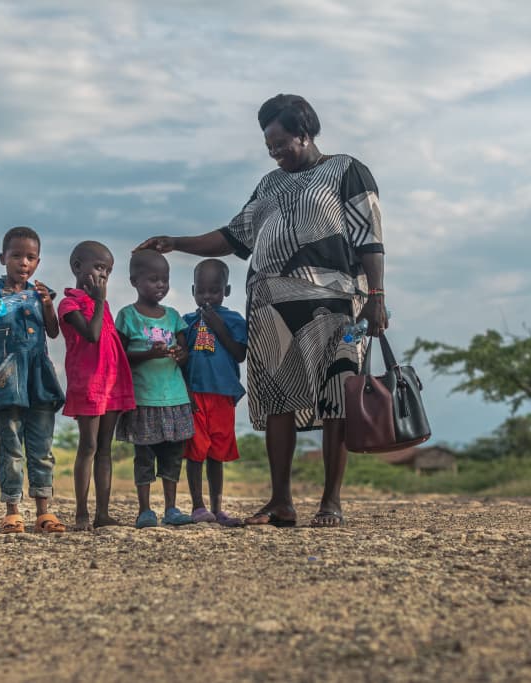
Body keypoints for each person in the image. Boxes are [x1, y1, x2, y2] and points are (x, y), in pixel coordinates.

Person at [136, 94, 388, 528]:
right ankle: (280, 502)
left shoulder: (346, 171)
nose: (274, 152)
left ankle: (331, 501)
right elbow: (234, 237)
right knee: (276, 400)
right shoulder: (270, 185)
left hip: (336, 307)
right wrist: (177, 242)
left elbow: (370, 236)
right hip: (270, 308)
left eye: (280, 142)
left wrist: (378, 294)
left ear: (305, 134)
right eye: (268, 146)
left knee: (336, 400)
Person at [0, 226, 67, 533]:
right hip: (6, 373)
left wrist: (48, 305)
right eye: (16, 256)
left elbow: (53, 332)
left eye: (30, 257)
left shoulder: (42, 294)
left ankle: (43, 511)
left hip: (38, 375)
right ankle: (12, 510)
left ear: (37, 262)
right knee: (11, 444)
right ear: (3, 258)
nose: (23, 263)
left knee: (42, 446)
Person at [114, 250, 196, 529]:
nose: (160, 285)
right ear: (134, 281)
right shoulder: (127, 316)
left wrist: (178, 354)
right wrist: (149, 354)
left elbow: (185, 353)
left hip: (174, 397)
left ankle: (172, 508)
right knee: (145, 456)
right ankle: (145, 510)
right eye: (153, 279)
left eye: (165, 279)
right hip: (144, 398)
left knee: (173, 457)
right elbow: (121, 356)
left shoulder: (173, 317)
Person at [58, 241, 136, 530]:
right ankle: (81, 514)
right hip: (88, 384)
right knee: (88, 446)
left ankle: (103, 514)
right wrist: (100, 301)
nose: (104, 275)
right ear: (78, 267)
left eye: (109, 271)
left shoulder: (103, 305)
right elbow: (90, 335)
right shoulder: (69, 303)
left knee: (105, 449)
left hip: (112, 383)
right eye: (99, 267)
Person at [181, 259, 248, 526]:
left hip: (223, 395)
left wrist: (217, 325)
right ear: (193, 290)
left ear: (227, 291)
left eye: (215, 290)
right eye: (202, 291)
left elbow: (240, 353)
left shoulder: (234, 320)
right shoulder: (186, 323)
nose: (207, 296)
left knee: (216, 453)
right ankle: (198, 506)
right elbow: (183, 358)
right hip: (195, 394)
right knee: (195, 451)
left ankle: (218, 508)